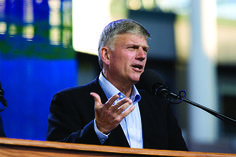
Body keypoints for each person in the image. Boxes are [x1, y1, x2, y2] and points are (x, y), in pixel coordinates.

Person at [46, 19, 188, 150]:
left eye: (145, 49)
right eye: (132, 47)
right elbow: (55, 153)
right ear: (107, 55)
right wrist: (98, 129)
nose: (142, 55)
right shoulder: (68, 101)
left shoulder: (159, 107)